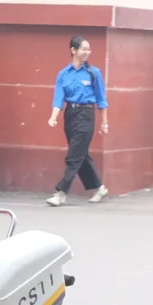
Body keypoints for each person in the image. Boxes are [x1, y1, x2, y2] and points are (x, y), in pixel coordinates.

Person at [46, 37, 109, 206]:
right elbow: (58, 98)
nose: (87, 52)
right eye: (83, 49)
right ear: (73, 50)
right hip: (70, 115)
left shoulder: (93, 73)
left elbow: (101, 100)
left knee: (73, 156)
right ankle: (99, 188)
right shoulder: (63, 74)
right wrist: (53, 117)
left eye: (89, 49)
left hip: (86, 114)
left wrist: (104, 123)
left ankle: (61, 193)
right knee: (80, 154)